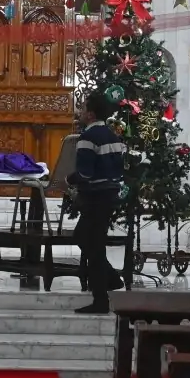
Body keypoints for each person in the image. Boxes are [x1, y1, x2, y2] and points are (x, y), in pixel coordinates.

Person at [68, 91, 126, 314]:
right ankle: (110, 278)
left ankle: (101, 298)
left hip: (94, 197)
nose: (80, 112)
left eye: (83, 108)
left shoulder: (88, 138)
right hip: (109, 195)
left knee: (93, 244)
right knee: (85, 238)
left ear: (91, 114)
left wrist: (68, 180)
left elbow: (84, 174)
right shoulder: (113, 136)